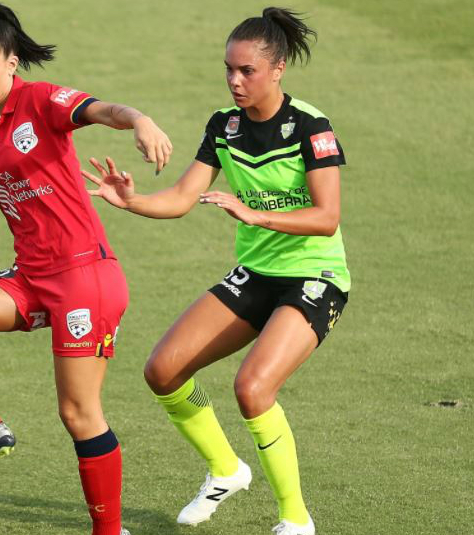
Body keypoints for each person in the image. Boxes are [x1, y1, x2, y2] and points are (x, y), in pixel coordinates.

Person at [0, 4, 172, 534]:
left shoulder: (41, 100)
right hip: (30, 277)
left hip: (85, 280)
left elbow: (103, 110)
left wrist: (140, 119)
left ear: (11, 63)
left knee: (78, 414)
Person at [83, 7, 348, 535]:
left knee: (252, 388)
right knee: (163, 370)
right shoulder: (224, 126)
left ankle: (296, 520)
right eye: (229, 68)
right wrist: (133, 201)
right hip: (257, 272)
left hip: (315, 275)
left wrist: (255, 214)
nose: (234, 80)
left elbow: (327, 218)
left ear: (278, 69)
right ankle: (226, 469)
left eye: (247, 70)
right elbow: (183, 197)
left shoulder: (310, 126)